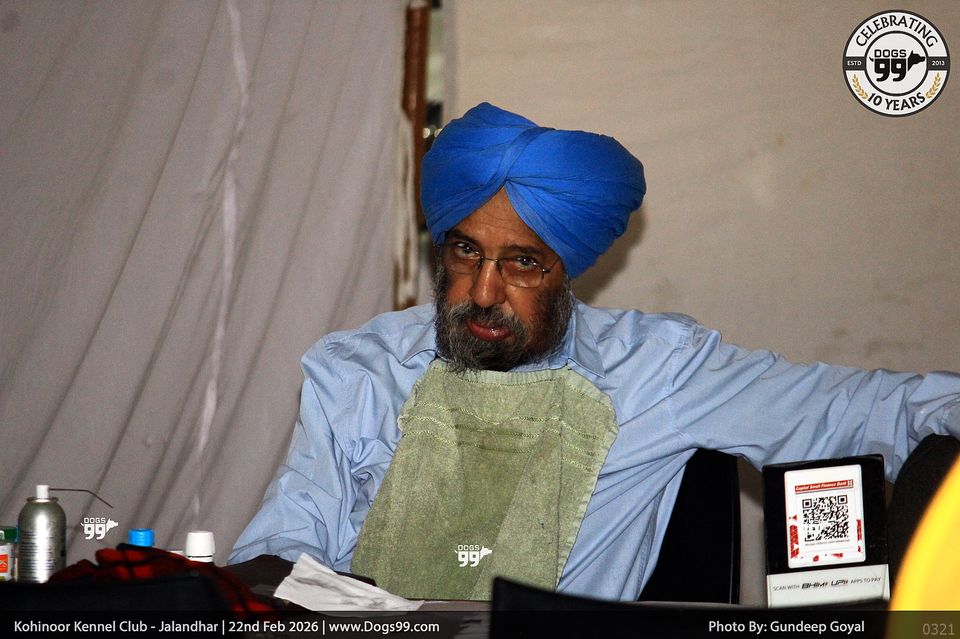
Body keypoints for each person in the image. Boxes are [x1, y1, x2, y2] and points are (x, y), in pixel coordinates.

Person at [229, 102, 960, 601]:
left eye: (523, 263)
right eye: (465, 251)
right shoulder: (357, 369)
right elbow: (281, 551)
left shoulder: (658, 370)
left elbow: (867, 409)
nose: (483, 291)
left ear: (568, 270)